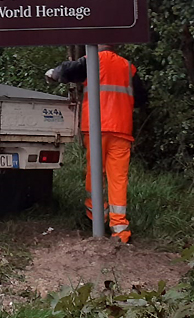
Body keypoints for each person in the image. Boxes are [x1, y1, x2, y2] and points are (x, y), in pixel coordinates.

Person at [46, 45, 147, 243]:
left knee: (95, 173)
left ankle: (95, 219)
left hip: (96, 127)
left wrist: (53, 74)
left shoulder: (92, 61)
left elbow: (66, 70)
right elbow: (141, 98)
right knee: (118, 178)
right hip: (121, 129)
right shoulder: (128, 67)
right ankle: (120, 230)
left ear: (97, 46)